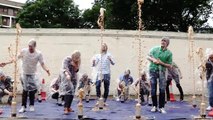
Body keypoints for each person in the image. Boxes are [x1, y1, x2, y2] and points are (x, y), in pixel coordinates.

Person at [2, 39, 50, 113]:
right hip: (24, 73)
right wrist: (6, 63)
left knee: (31, 90)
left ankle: (31, 105)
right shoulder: (24, 51)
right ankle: (23, 106)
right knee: (25, 90)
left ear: (35, 46)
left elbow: (42, 63)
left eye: (31, 47)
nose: (30, 48)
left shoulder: (38, 54)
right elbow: (15, 59)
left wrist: (47, 70)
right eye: (29, 46)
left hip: (33, 74)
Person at [147, 37, 173, 114]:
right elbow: (148, 56)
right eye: (162, 40)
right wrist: (153, 60)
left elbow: (170, 65)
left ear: (167, 44)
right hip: (152, 70)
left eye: (165, 41)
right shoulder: (154, 49)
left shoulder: (169, 53)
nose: (162, 42)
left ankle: (161, 107)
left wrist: (161, 63)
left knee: (162, 89)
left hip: (162, 71)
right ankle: (154, 106)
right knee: (153, 88)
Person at [60, 50, 81, 115]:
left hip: (74, 77)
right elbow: (64, 68)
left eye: (77, 58)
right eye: (75, 58)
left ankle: (69, 107)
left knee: (72, 93)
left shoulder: (78, 61)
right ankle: (65, 108)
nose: (76, 59)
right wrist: (67, 75)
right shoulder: (67, 59)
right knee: (68, 92)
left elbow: (77, 70)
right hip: (67, 77)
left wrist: (75, 65)